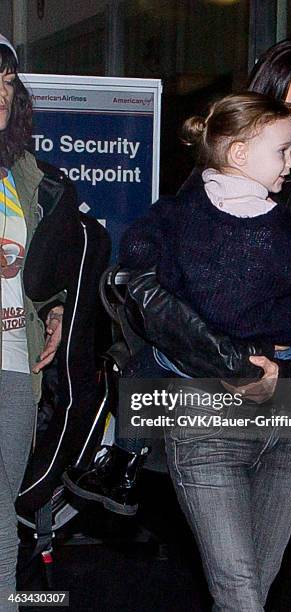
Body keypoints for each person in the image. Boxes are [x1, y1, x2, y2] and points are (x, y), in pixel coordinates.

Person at [117, 39, 291, 609]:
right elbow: (141, 291)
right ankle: (117, 459)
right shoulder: (204, 195)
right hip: (207, 410)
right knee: (240, 593)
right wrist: (227, 363)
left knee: (252, 586)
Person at [0, 35, 64, 609]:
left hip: (15, 362)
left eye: (6, 80)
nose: (0, 91)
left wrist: (54, 310)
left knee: (0, 503)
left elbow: (37, 264)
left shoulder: (23, 172)